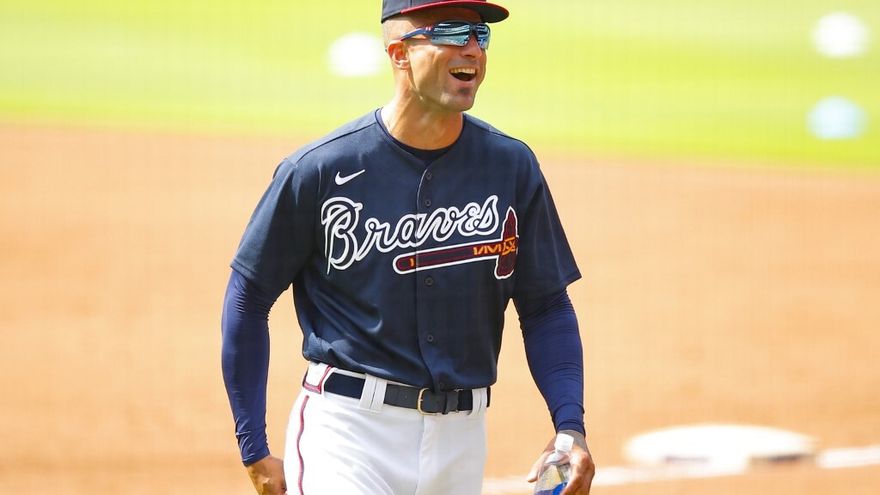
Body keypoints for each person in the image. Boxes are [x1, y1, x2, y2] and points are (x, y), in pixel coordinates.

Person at [221, 1, 596, 493]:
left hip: (462, 442)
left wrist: (570, 426)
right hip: (348, 435)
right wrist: (253, 445)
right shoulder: (319, 171)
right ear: (400, 53)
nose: (472, 48)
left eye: (480, 35)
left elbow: (546, 305)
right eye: (452, 32)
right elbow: (247, 298)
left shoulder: (511, 166)